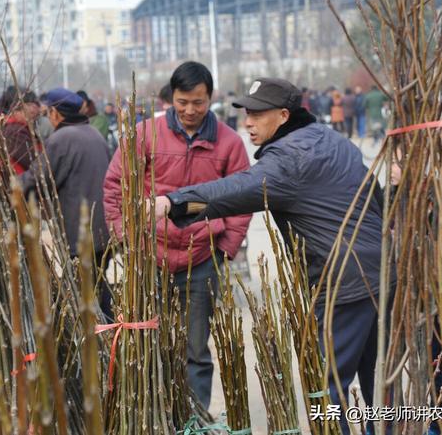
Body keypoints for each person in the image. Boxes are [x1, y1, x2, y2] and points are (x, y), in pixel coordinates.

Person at [153, 77, 393, 434]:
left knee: (331, 386)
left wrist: (172, 201)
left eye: (257, 114)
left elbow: (234, 190)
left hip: (344, 280)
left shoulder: (290, 158)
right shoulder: (329, 139)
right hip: (382, 271)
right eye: (246, 113)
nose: (247, 122)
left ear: (283, 115)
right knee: (378, 380)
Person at [103, 61, 252, 409]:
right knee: (147, 340)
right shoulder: (145, 134)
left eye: (198, 102)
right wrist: (125, 236)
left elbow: (243, 197)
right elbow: (115, 185)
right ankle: (155, 413)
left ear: (210, 99)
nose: (189, 110)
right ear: (172, 98)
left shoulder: (228, 143)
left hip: (201, 258)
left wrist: (225, 249)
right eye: (182, 102)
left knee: (196, 348)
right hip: (149, 257)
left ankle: (195, 418)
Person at [21, 87, 112, 317]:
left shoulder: (61, 139)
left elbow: (36, 178)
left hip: (80, 232)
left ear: (55, 113)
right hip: (105, 231)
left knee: (86, 294)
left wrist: (8, 188)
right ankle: (108, 336)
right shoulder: (93, 133)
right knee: (98, 287)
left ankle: (98, 343)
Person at [0, 86, 42, 174]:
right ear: (15, 109)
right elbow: (36, 163)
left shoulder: (9, 127)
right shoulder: (15, 132)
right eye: (30, 104)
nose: (35, 109)